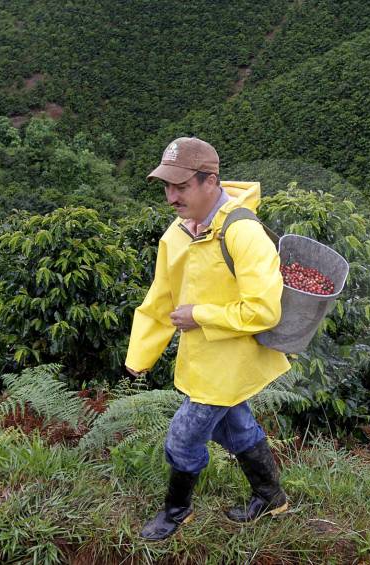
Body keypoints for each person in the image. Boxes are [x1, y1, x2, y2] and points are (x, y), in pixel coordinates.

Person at [125, 136, 291, 541]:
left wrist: (199, 316)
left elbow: (264, 310)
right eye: (167, 186)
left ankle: (176, 512)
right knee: (235, 427)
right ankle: (271, 497)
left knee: (183, 438)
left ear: (210, 180)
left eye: (181, 187)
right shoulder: (179, 233)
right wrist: (141, 353)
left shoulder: (243, 232)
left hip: (230, 361)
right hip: (203, 357)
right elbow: (161, 297)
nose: (171, 197)